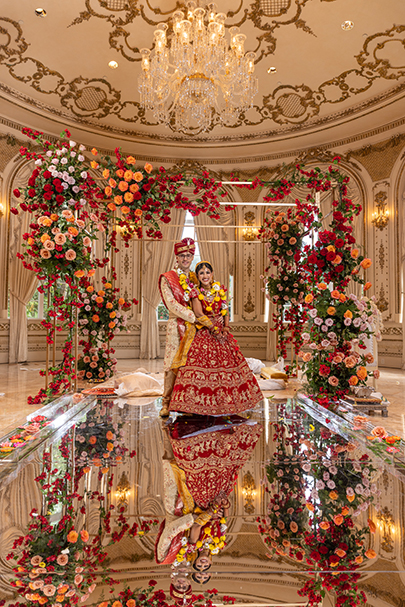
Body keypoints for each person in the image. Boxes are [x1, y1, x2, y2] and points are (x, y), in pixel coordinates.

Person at [169, 261, 263, 416]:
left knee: (227, 369)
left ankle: (228, 403)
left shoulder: (220, 291)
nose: (205, 276)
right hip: (204, 332)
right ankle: (196, 405)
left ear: (212, 274)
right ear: (197, 277)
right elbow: (199, 314)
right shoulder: (194, 292)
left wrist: (225, 327)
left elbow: (225, 309)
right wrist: (213, 329)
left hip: (222, 334)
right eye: (201, 273)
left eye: (207, 272)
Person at [158, 237, 197, 417]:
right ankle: (166, 403)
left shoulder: (195, 277)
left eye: (189, 255)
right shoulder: (168, 278)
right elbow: (171, 304)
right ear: (177, 257)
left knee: (190, 365)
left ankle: (187, 403)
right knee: (172, 364)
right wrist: (194, 316)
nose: (186, 259)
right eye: (182, 255)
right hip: (176, 325)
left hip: (195, 328)